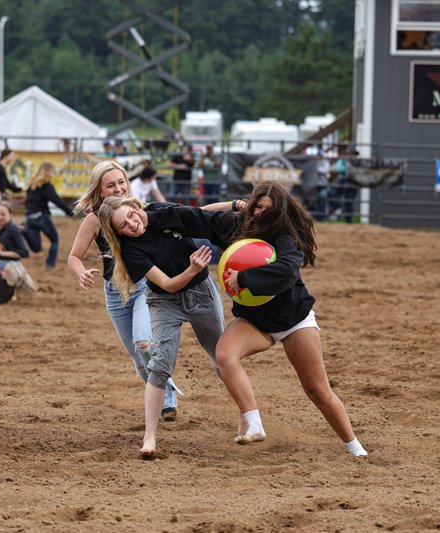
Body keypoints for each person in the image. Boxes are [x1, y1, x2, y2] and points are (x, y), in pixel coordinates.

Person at [141, 181, 368, 457]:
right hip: (255, 322)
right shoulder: (236, 227)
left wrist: (244, 278)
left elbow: (286, 272)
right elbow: (195, 217)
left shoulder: (286, 238)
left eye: (267, 210)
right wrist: (148, 215)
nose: (259, 213)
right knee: (224, 355)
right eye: (257, 206)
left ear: (279, 213)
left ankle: (355, 447)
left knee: (317, 390)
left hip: (293, 320)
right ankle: (254, 423)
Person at [97, 195, 226, 458]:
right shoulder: (130, 251)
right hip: (165, 299)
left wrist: (235, 207)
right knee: (159, 364)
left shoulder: (165, 212)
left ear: (135, 207)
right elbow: (167, 284)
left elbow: (201, 214)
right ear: (117, 233)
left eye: (130, 216)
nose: (131, 224)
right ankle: (149, 436)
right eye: (123, 226)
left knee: (223, 357)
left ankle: (248, 418)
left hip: (201, 292)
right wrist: (192, 268)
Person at [67, 160, 181, 423]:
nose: (118, 188)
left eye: (121, 182)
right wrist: (81, 272)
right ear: (99, 190)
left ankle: (167, 398)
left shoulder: (139, 209)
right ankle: (162, 394)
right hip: (114, 294)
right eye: (110, 185)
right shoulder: (94, 220)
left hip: (144, 287)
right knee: (138, 358)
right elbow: (73, 256)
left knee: (144, 342)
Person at [22, 161, 74, 269]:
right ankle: (50, 264)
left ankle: (23, 231)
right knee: (55, 240)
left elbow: (26, 203)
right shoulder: (46, 186)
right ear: (49, 172)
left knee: (36, 249)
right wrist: (70, 212)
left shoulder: (31, 185)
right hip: (41, 217)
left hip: (29, 218)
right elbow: (57, 201)